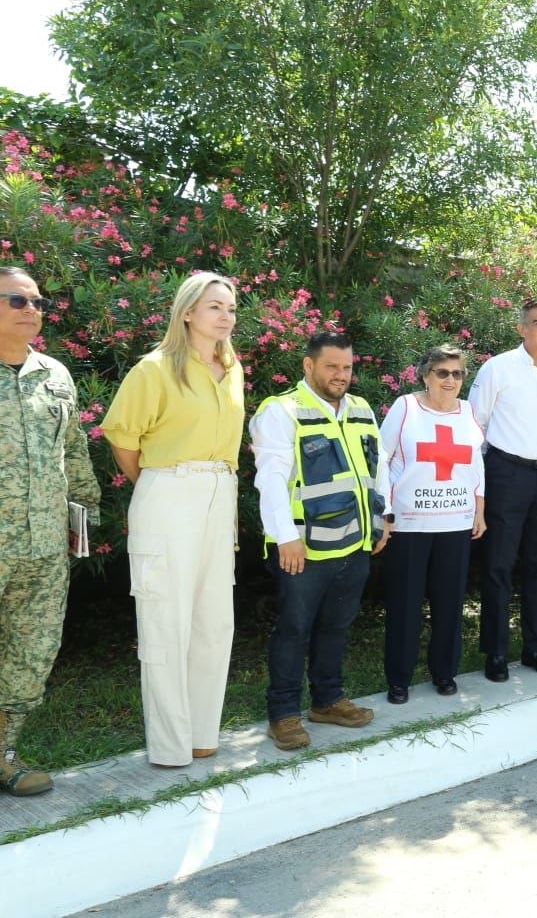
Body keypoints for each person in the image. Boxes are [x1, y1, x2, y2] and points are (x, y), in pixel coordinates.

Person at [101, 271, 244, 769]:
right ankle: (169, 744)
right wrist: (162, 486)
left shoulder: (233, 369)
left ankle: (203, 732)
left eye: (230, 308)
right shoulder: (154, 369)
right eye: (214, 307)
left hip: (220, 492)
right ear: (187, 313)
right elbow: (124, 440)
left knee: (214, 620)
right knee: (166, 620)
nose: (225, 316)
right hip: (168, 490)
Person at [251, 330, 389, 751]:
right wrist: (285, 537)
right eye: (332, 366)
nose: (341, 375)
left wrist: (383, 519)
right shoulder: (282, 411)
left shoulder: (361, 409)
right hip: (303, 549)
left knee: (336, 626)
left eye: (347, 367)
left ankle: (327, 700)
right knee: (294, 629)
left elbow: (378, 468)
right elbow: (270, 479)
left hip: (354, 543)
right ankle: (284, 715)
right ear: (308, 366)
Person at [0, 267, 100, 794]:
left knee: (31, 653)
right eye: (18, 299)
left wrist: (83, 512)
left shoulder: (55, 374)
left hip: (44, 546)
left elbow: (75, 448)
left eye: (38, 300)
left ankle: (3, 753)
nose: (33, 308)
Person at [467, 298, 537, 680]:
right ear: (521, 328)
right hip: (508, 473)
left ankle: (535, 647)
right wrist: (479, 482)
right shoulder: (498, 368)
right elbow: (475, 424)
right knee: (499, 564)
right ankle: (495, 653)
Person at [377, 344, 487, 705]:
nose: (450, 380)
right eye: (442, 372)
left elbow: (475, 465)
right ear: (425, 375)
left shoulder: (468, 411)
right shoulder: (406, 408)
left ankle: (444, 672)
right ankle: (399, 678)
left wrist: (479, 509)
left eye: (457, 373)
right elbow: (381, 460)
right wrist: (385, 514)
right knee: (405, 606)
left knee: (449, 604)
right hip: (409, 524)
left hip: (455, 523)